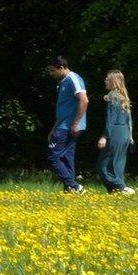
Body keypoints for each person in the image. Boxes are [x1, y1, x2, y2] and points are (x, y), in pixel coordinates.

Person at [46, 56, 88, 193]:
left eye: (53, 71)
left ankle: (75, 186)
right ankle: (69, 189)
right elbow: (63, 109)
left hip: (69, 126)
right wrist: (53, 128)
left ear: (62, 68)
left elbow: (84, 100)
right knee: (67, 157)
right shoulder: (63, 82)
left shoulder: (73, 79)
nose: (51, 74)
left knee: (53, 157)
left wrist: (76, 123)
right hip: (62, 125)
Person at [97, 70, 135, 194]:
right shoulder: (123, 97)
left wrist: (104, 136)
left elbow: (110, 119)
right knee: (118, 164)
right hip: (124, 133)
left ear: (114, 81)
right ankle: (116, 193)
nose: (105, 81)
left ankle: (122, 187)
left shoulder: (112, 96)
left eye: (107, 79)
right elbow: (129, 120)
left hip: (115, 133)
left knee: (103, 166)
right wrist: (130, 137)